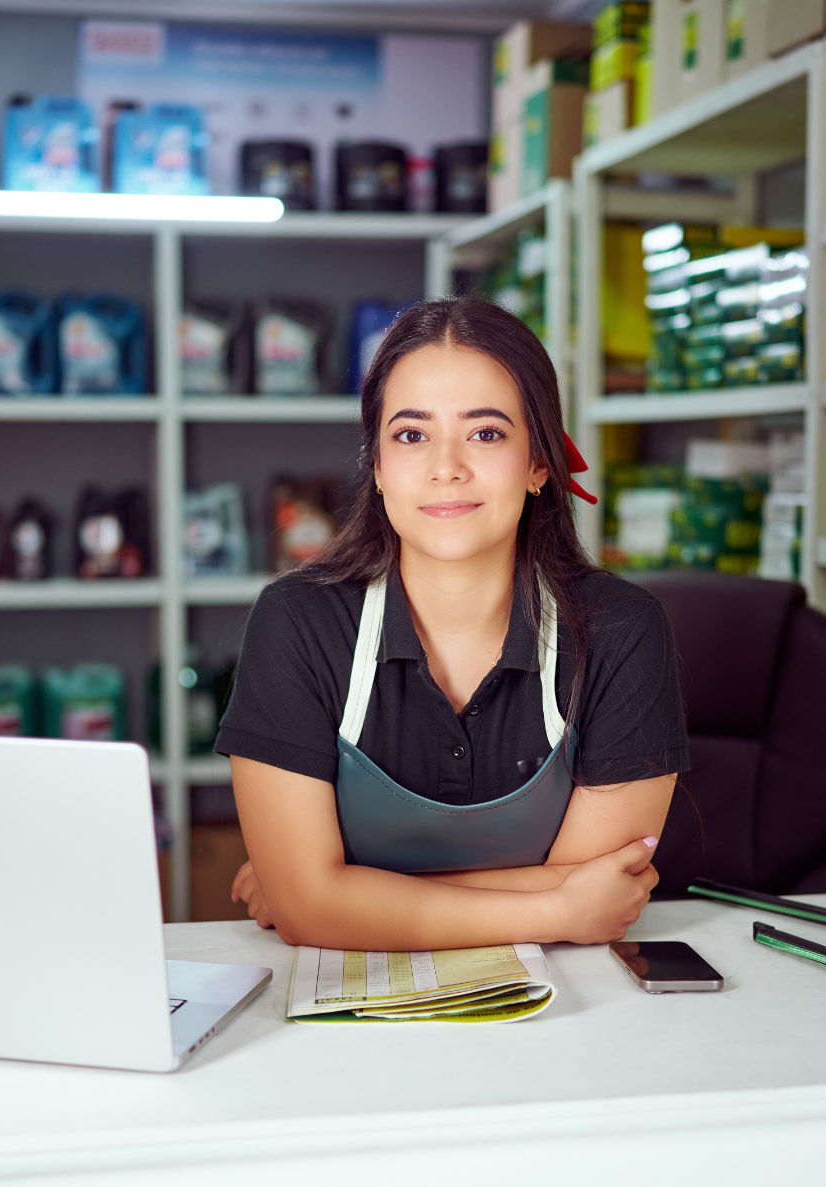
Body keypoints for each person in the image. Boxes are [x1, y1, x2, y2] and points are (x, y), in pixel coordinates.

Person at [215, 296, 689, 951]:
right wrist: (554, 907)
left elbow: (601, 881)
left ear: (537, 463)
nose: (446, 467)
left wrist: (340, 892)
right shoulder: (297, 622)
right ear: (376, 467)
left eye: (486, 432)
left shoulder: (618, 630)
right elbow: (576, 898)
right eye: (410, 434)